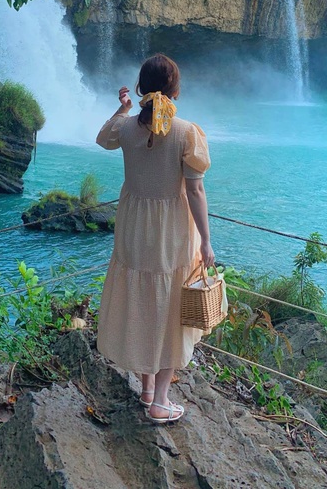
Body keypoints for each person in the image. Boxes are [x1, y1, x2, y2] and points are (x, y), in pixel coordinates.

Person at [95, 54, 214, 424]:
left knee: (143, 300)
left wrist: (122, 109)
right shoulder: (186, 133)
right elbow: (194, 193)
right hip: (171, 231)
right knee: (169, 307)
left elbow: (102, 139)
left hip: (133, 226)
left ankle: (147, 388)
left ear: (143, 87)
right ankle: (160, 401)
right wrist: (207, 242)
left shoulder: (127, 128)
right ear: (175, 90)